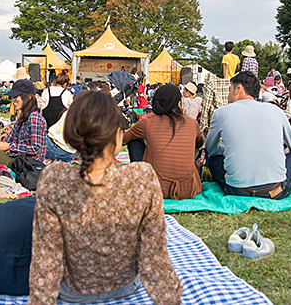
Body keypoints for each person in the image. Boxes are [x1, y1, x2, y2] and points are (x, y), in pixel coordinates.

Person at [28, 91, 182, 304]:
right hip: (125, 286)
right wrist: (171, 300)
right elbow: (154, 258)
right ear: (118, 137)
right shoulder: (142, 179)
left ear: (72, 135)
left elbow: (47, 258)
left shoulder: (54, 179)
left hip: (74, 291)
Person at [205, 71, 291, 199]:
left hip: (236, 191)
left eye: (229, 90)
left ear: (238, 89)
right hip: (274, 191)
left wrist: (228, 150)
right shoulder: (276, 111)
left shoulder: (221, 113)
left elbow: (211, 150)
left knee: (213, 159)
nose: (228, 95)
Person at [123, 84, 204, 200]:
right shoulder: (192, 123)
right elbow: (199, 143)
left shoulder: (148, 123)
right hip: (189, 189)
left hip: (156, 188)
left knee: (134, 140)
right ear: (179, 103)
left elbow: (122, 139)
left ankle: (140, 180)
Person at [0, 80, 47, 167]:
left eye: (16, 96)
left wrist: (9, 146)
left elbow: (35, 149)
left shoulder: (34, 117)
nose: (13, 100)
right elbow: (9, 138)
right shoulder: (22, 118)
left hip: (29, 166)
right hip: (19, 160)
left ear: (28, 97)